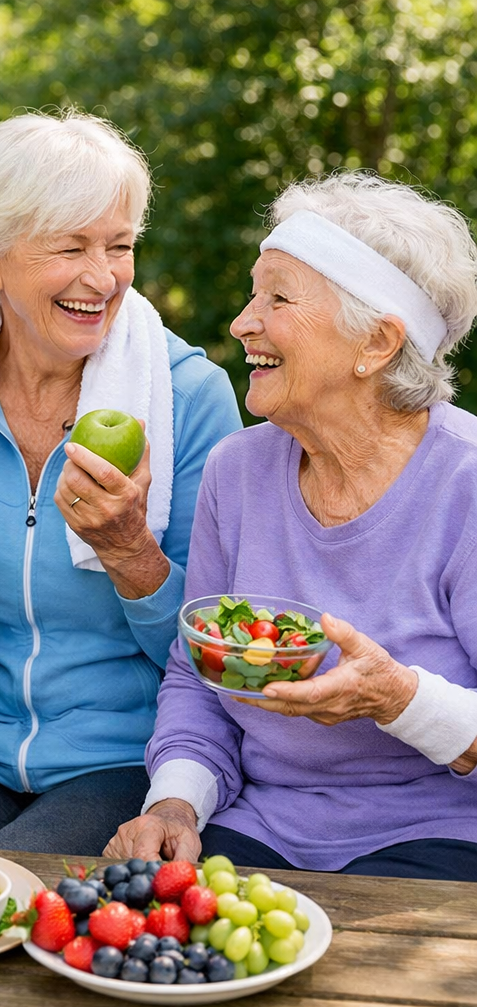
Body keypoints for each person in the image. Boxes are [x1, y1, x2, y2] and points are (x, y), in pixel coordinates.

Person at [0, 110, 242, 855]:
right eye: (70, 247)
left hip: (119, 760)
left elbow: (220, 650)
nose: (102, 278)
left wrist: (129, 548)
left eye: (119, 247)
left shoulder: (189, 397)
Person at [107, 171, 477, 881]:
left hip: (442, 832)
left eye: (277, 298)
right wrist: (177, 806)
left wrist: (397, 699)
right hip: (263, 826)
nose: (243, 321)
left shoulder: (465, 483)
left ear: (376, 343)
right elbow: (197, 673)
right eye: (254, 294)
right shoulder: (237, 472)